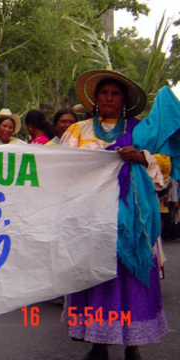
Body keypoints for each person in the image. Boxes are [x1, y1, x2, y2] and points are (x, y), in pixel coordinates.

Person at [60, 70, 169, 360]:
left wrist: (142, 157)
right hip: (91, 220)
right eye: (104, 92)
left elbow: (163, 167)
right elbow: (62, 170)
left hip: (132, 222)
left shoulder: (140, 130)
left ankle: (133, 344)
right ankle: (99, 342)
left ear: (124, 100)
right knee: (97, 277)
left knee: (130, 278)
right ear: (95, 98)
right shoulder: (77, 132)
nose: (109, 97)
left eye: (115, 93)